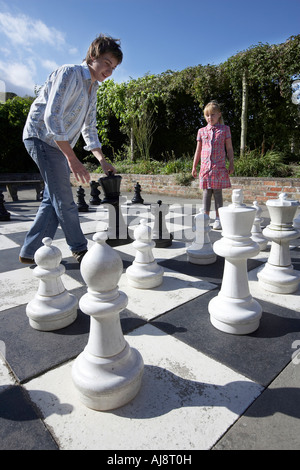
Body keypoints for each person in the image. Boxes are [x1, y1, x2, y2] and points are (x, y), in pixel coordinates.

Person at [19, 34, 122, 264]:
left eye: (113, 67)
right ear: (93, 56)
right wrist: (72, 159)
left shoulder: (93, 88)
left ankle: (29, 251)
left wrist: (101, 160)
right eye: (107, 63)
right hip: (41, 137)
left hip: (57, 143)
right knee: (64, 198)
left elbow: (89, 127)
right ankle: (80, 249)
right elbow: (51, 117)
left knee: (53, 197)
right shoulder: (69, 73)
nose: (110, 70)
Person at [192, 101, 234, 229]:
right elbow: (198, 150)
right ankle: (205, 218)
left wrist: (231, 163)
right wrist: (194, 166)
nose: (210, 118)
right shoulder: (201, 131)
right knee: (206, 192)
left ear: (219, 115)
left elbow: (229, 148)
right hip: (205, 167)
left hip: (218, 167)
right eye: (207, 115)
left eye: (213, 115)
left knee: (217, 193)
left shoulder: (225, 129)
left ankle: (218, 219)